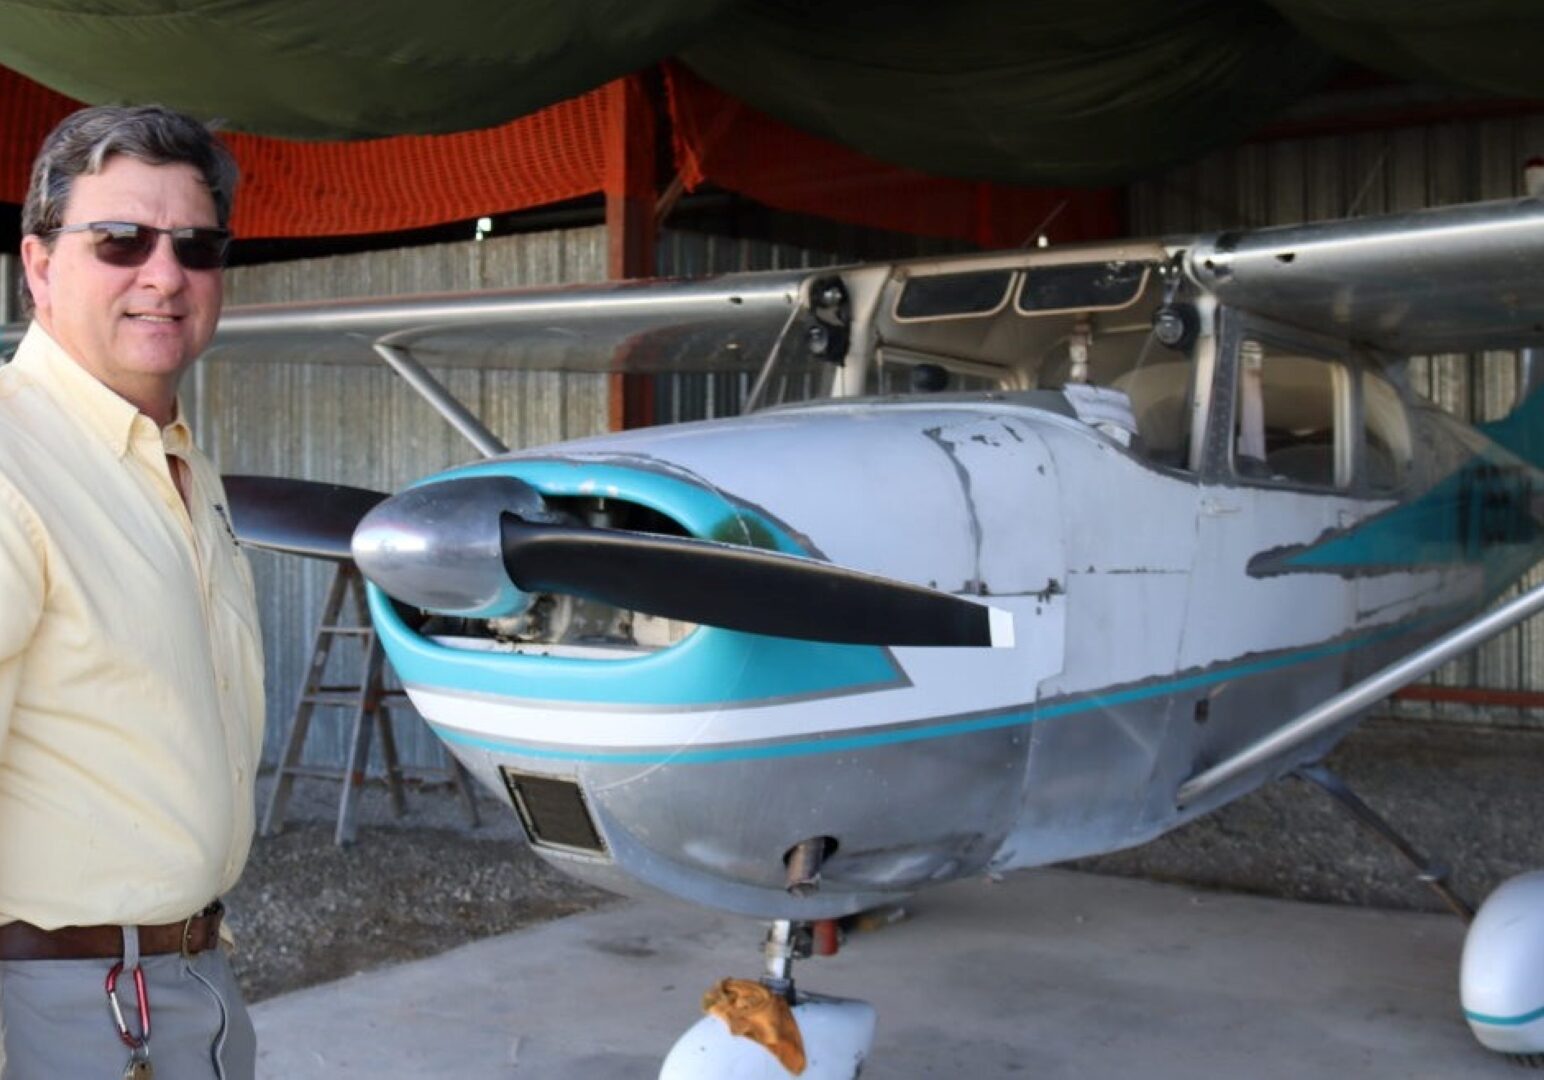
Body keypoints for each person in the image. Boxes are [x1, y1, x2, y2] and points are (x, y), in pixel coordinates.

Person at [0, 105, 264, 1078]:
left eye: (195, 245)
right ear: (38, 266)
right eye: (120, 240)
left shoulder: (176, 463)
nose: (164, 275)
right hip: (59, 1013)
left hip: (185, 987)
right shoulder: (12, 471)